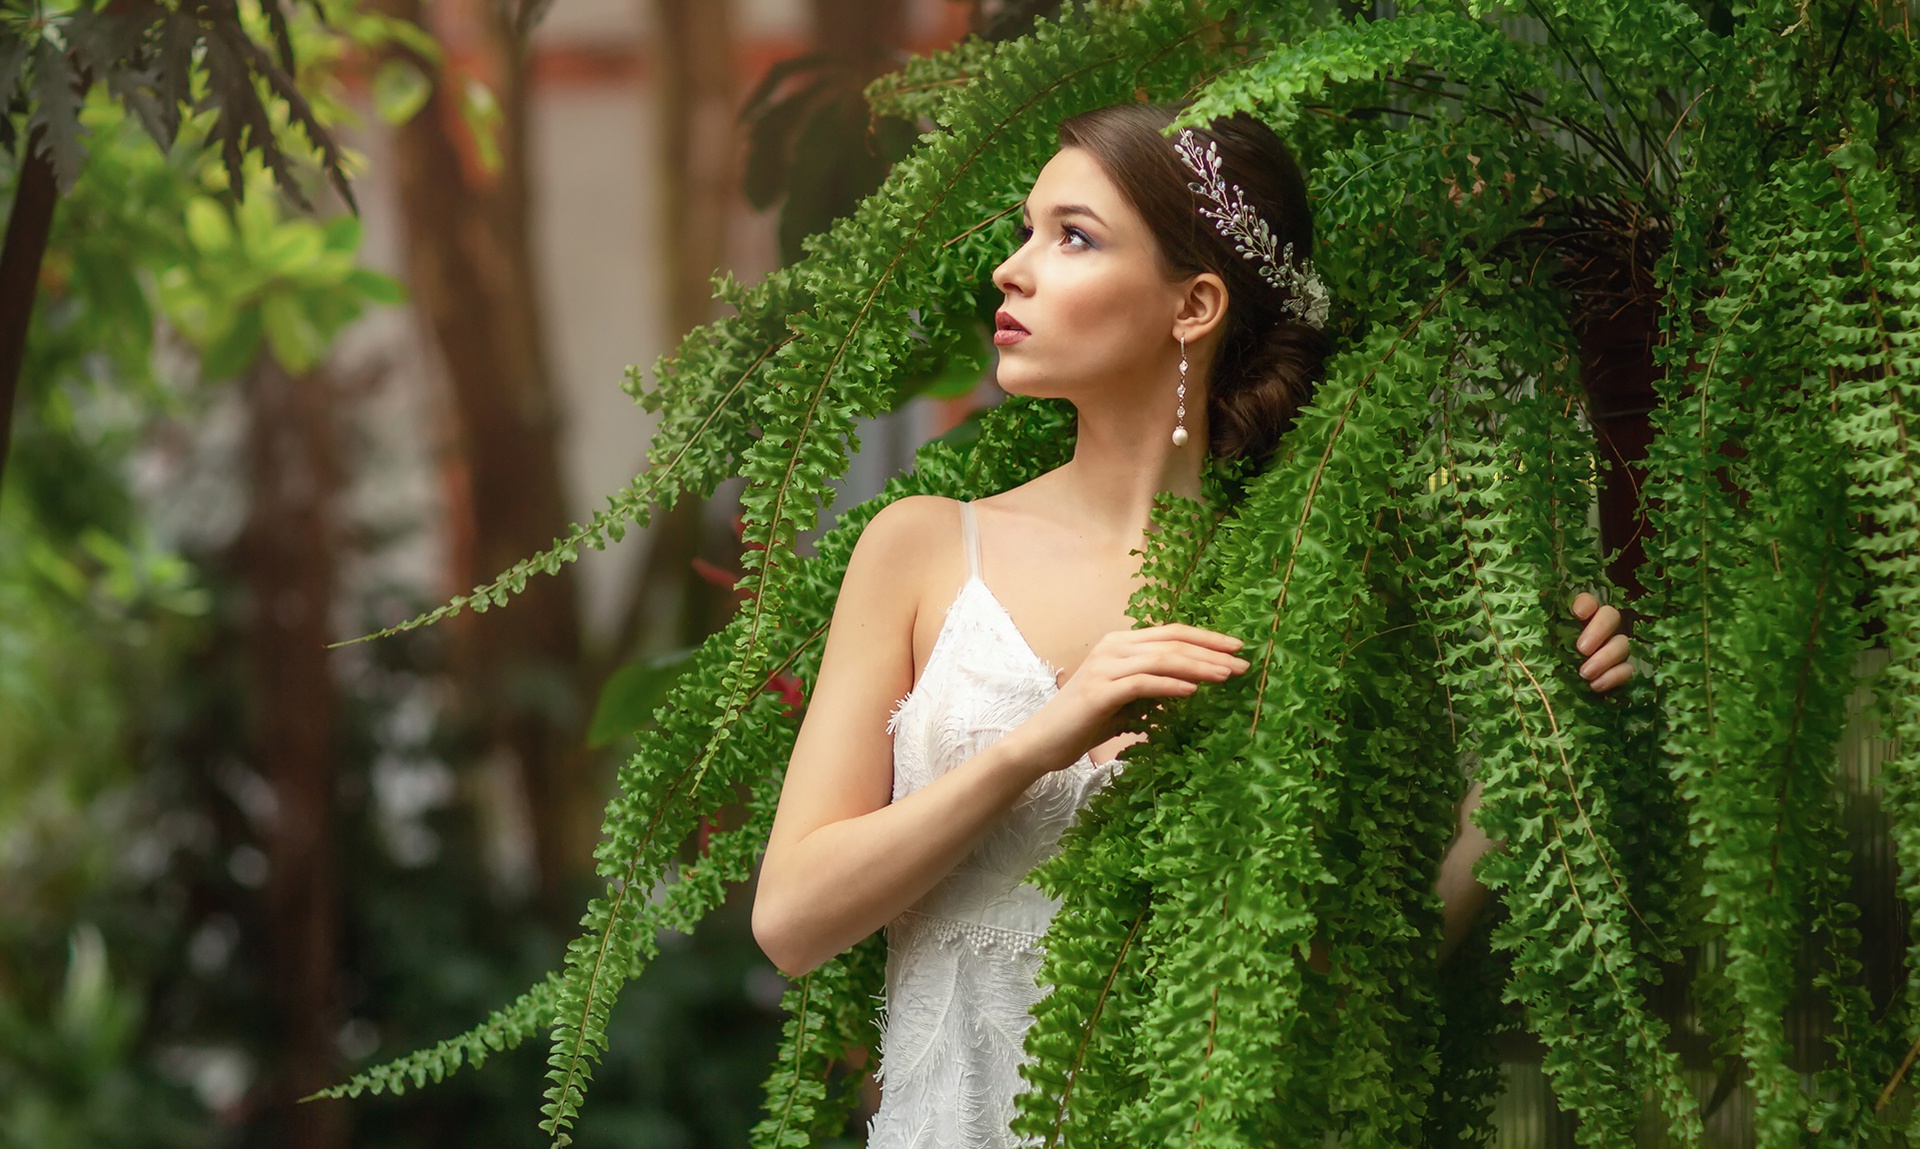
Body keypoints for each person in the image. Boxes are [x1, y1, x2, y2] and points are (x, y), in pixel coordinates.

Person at [750, 103, 1634, 1149]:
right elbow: (792, 921)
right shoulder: (923, 548)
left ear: (1195, 303)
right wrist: (1043, 739)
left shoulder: (1313, 594)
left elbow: (1345, 990)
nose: (1013, 269)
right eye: (1026, 230)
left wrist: (1516, 783)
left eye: (1072, 237)